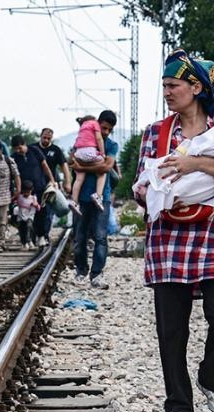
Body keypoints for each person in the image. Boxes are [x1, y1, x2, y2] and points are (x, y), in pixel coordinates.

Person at [134, 49, 214, 412]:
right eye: (165, 86)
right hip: (169, 232)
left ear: (196, 87)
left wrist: (194, 165)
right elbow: (142, 181)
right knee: (171, 326)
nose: (168, 92)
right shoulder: (156, 132)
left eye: (174, 86)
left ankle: (212, 374)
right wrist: (150, 190)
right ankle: (178, 404)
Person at [69, 110, 119, 290]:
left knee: (100, 237)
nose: (105, 132)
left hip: (102, 198)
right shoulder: (84, 139)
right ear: (98, 124)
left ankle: (96, 274)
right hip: (82, 197)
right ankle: (81, 271)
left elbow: (106, 166)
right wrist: (94, 166)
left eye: (109, 129)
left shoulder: (112, 145)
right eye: (103, 127)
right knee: (79, 237)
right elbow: (72, 162)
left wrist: (83, 166)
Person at [10, 135, 55, 246]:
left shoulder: (34, 150)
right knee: (23, 216)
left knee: (41, 213)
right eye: (16, 149)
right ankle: (26, 239)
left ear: (24, 144)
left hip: (39, 187)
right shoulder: (14, 157)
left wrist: (52, 180)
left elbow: (45, 165)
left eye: (20, 148)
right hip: (23, 191)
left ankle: (41, 236)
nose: (18, 151)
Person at [69, 116, 107, 214]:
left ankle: (74, 201)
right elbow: (99, 139)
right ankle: (98, 195)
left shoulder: (82, 128)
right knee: (102, 169)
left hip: (78, 154)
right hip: (89, 152)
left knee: (79, 177)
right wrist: (102, 153)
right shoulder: (95, 124)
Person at [36, 128, 71, 195]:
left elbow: (64, 166)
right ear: (40, 136)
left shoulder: (56, 150)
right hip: (36, 183)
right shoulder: (33, 148)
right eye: (44, 137)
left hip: (51, 183)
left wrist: (68, 182)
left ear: (51, 138)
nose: (46, 140)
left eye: (49, 138)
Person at [14, 180, 39, 249]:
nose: (26, 193)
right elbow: (17, 203)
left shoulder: (33, 198)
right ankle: (24, 243)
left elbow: (38, 208)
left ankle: (29, 241)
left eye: (28, 192)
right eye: (25, 192)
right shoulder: (20, 197)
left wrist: (35, 205)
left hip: (30, 216)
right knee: (22, 230)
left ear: (31, 190)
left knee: (29, 226)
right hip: (21, 217)